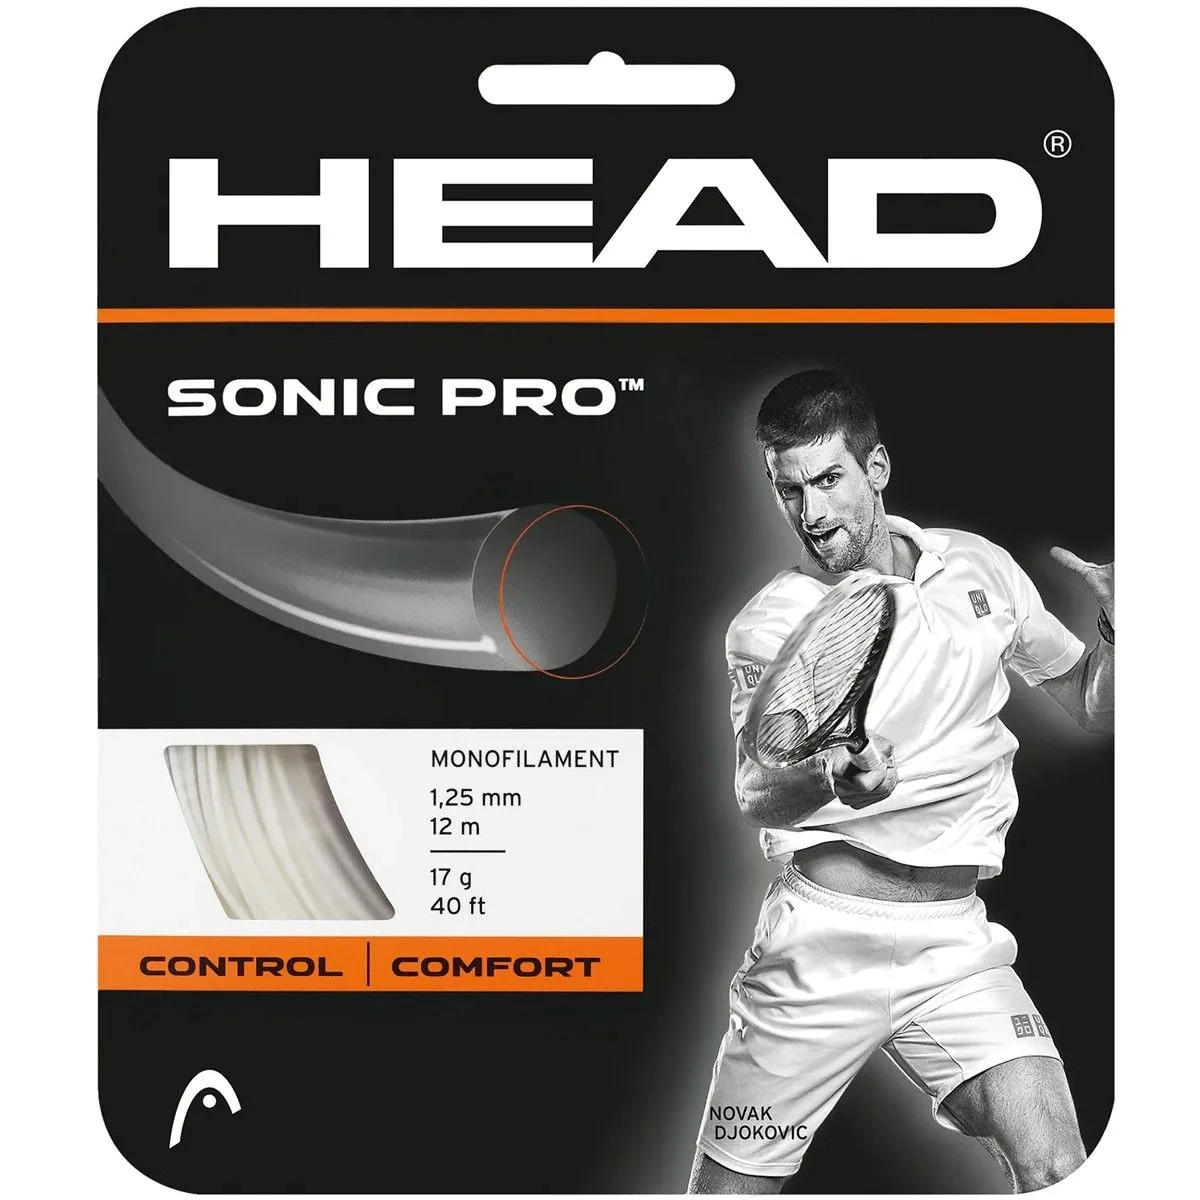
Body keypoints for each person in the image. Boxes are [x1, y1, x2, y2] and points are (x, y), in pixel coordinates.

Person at [689, 369, 1113, 1195]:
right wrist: (831, 778)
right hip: (821, 948)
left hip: (954, 944)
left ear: (876, 468)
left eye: (828, 480)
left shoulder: (978, 567)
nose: (811, 512)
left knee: (1059, 1168)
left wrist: (1121, 629)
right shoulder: (772, 624)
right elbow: (756, 789)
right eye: (788, 490)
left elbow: (1091, 701)